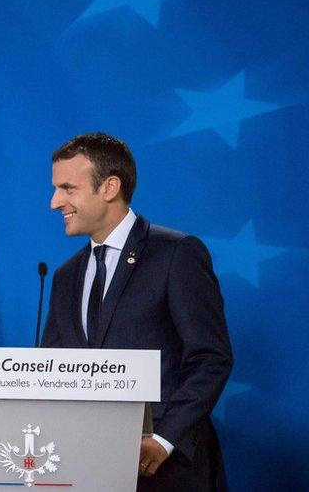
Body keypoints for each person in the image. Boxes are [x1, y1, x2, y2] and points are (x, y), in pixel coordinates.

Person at [41, 133, 232, 491]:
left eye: (67, 188)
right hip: (88, 465)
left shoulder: (177, 254)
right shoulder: (65, 276)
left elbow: (211, 358)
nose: (55, 202)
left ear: (109, 187)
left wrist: (163, 439)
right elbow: (53, 367)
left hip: (170, 468)